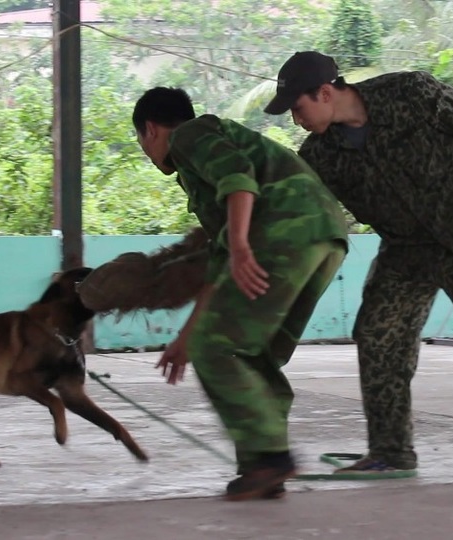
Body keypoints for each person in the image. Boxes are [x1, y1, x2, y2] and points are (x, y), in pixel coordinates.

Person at [263, 51, 453, 480]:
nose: (297, 121)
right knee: (378, 332)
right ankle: (391, 452)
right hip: (408, 251)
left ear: (324, 92)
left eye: (298, 109)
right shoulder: (321, 156)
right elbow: (296, 211)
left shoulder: (412, 93)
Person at [133, 87, 349, 500]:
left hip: (284, 227)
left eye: (143, 141)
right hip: (324, 235)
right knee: (254, 355)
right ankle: (262, 469)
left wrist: (241, 246)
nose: (147, 150)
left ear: (151, 129)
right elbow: (218, 262)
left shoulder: (188, 136)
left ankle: (269, 458)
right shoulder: (197, 166)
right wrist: (186, 336)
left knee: (220, 352)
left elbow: (238, 178)